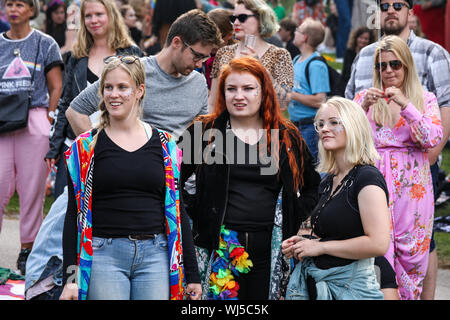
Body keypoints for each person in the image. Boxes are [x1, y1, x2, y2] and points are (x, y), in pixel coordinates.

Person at [59, 56, 201, 300]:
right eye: (109, 87)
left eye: (123, 87)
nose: (114, 94)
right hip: (104, 255)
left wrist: (193, 275)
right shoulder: (85, 148)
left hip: (156, 256)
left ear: (139, 91)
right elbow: (73, 216)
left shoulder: (166, 146)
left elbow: (178, 212)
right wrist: (71, 279)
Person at [179, 56, 320, 300]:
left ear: (263, 91)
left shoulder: (285, 135)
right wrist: (196, 215)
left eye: (248, 88)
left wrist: (296, 218)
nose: (239, 96)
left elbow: (313, 185)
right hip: (219, 248)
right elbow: (175, 182)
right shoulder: (204, 132)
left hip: (271, 249)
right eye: (231, 89)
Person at [345, 0, 450, 300]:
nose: (388, 70)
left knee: (413, 256)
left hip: (413, 186)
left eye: (395, 64)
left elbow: (432, 136)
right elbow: (344, 133)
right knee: (378, 256)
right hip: (374, 184)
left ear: (406, 66)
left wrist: (407, 106)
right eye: (382, 66)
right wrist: (360, 106)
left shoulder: (423, 98)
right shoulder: (367, 97)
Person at [282, 97, 391, 300]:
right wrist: (303, 243)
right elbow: (337, 234)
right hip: (321, 284)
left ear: (353, 125)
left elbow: (378, 243)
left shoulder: (367, 177)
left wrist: (320, 247)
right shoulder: (328, 181)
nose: (324, 129)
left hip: (353, 289)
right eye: (320, 124)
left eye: (333, 122)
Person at [65, 8, 222, 139]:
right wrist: (100, 153)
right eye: (197, 55)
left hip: (182, 174)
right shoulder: (131, 70)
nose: (200, 64)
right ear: (176, 43)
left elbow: (200, 135)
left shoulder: (198, 82)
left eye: (204, 57)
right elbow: (76, 111)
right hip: (137, 171)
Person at [45, 0, 142, 201]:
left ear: (111, 16)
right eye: (88, 16)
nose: (93, 20)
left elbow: (140, 100)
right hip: (76, 143)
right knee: (66, 209)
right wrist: (54, 148)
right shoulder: (76, 56)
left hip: (119, 145)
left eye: (99, 14)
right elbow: (65, 103)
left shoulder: (131, 54)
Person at [0, 0, 63, 275]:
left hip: (34, 119)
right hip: (2, 122)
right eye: (9, 3)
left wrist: (49, 117)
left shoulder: (45, 42)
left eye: (20, 3)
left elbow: (56, 85)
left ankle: (27, 251)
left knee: (32, 191)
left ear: (31, 9)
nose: (13, 8)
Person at [208, 0, 293, 112]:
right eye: (233, 19)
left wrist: (260, 68)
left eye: (242, 17)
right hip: (226, 127)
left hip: (262, 127)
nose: (236, 23)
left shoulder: (279, 55)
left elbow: (282, 104)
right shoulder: (223, 53)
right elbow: (212, 103)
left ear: (260, 18)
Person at [287, 18, 330, 164]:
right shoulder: (297, 59)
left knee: (309, 169)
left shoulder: (316, 64)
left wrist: (291, 95)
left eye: (298, 30)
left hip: (310, 127)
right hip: (295, 125)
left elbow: (320, 100)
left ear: (305, 37)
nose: (295, 32)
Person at [204, 8, 236, 90]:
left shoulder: (235, 56)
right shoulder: (200, 53)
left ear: (229, 35)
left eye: (217, 40)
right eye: (207, 38)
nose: (212, 44)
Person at [341, 26, 375, 91]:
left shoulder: (371, 55)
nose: (363, 41)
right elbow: (345, 72)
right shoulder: (349, 52)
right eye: (361, 38)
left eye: (366, 39)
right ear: (356, 38)